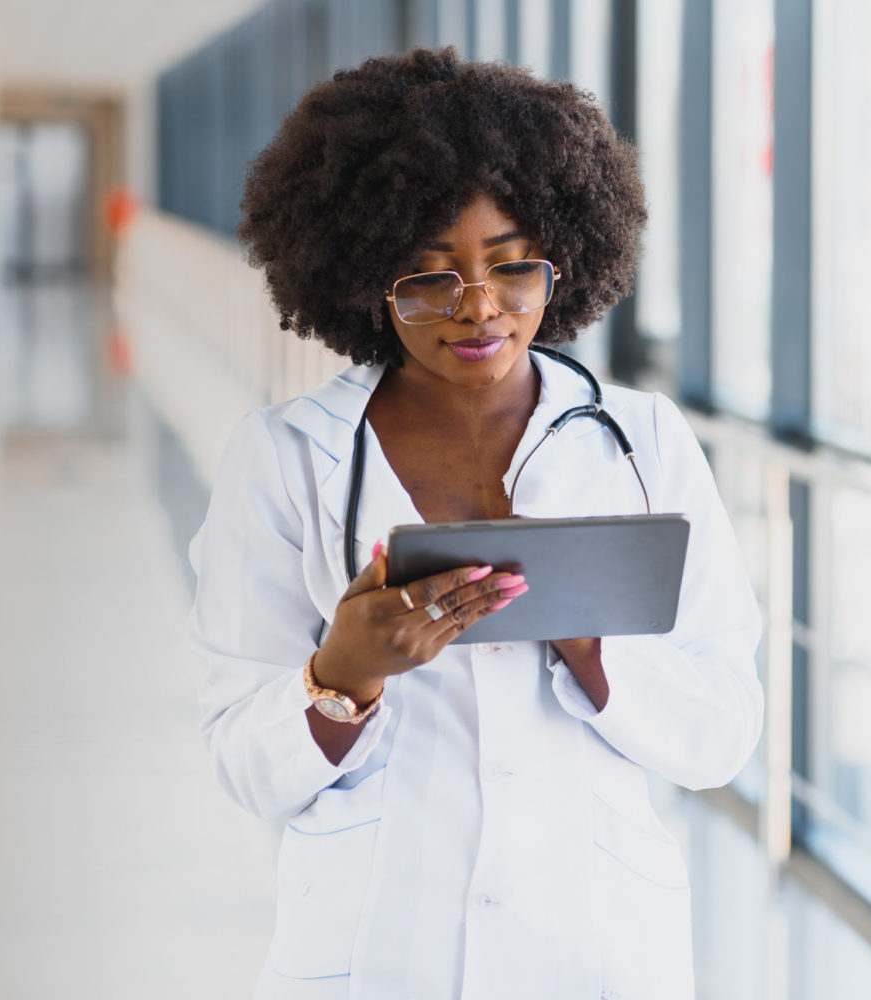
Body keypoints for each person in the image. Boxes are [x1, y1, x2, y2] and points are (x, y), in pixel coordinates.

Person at [188, 47, 763, 999]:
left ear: (562, 260)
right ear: (365, 277)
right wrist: (343, 675)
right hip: (377, 946)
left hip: (596, 943)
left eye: (509, 266)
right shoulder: (285, 457)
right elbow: (244, 764)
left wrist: (591, 643)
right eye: (427, 277)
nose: (478, 307)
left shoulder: (643, 442)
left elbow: (724, 733)